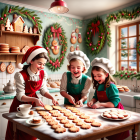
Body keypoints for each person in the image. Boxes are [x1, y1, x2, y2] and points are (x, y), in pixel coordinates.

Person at [5, 46, 59, 140]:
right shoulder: (20, 75)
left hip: (34, 104)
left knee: (32, 132)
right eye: (39, 63)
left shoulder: (42, 74)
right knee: (18, 133)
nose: (42, 67)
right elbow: (20, 96)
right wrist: (34, 99)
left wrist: (51, 97)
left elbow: (43, 90)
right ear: (31, 61)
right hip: (20, 106)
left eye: (43, 64)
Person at [87, 57, 129, 140]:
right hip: (105, 111)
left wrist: (99, 104)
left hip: (115, 111)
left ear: (106, 75)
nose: (96, 78)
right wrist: (92, 101)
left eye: (99, 75)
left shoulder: (111, 86)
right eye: (94, 76)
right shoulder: (99, 85)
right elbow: (95, 97)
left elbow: (114, 103)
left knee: (116, 134)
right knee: (108, 132)